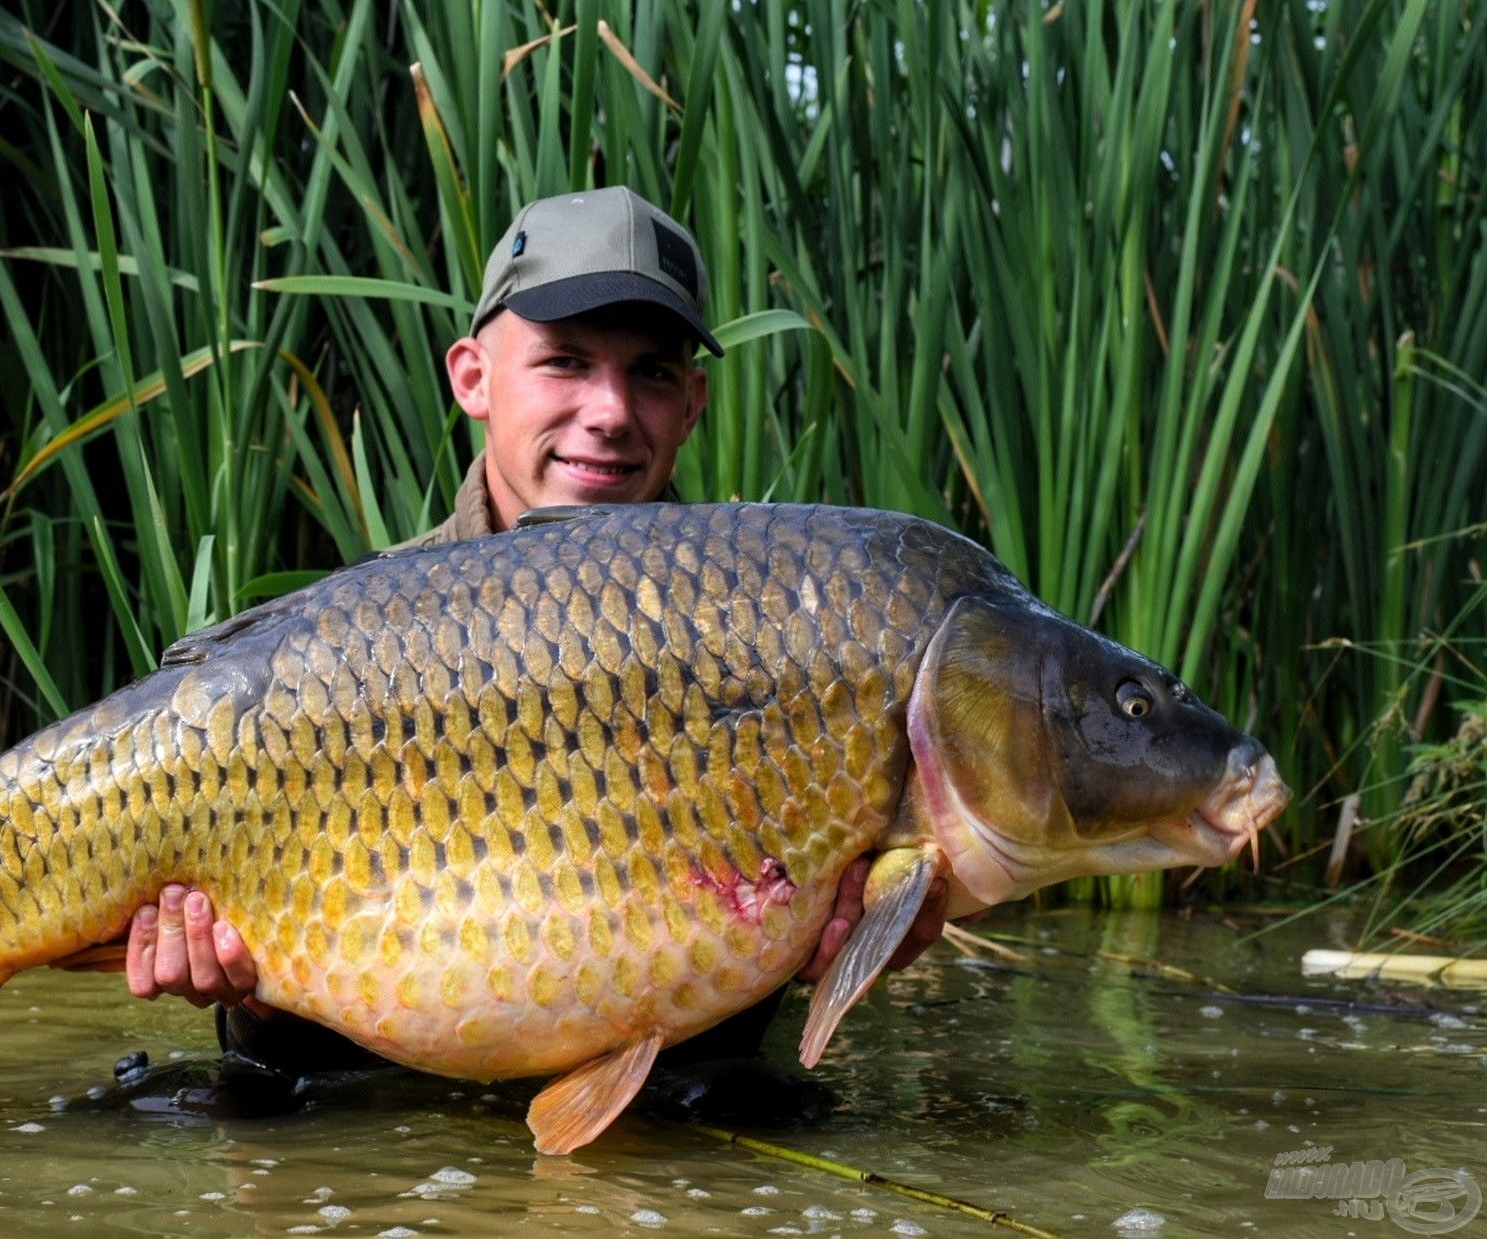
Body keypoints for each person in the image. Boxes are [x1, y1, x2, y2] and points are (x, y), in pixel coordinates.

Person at [119, 187, 950, 1120]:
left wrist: (862, 930)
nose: (610, 410)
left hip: (674, 1112)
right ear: (473, 376)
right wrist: (246, 1004)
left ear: (695, 403)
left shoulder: (778, 625)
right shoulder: (354, 643)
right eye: (565, 362)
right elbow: (297, 1051)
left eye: (652, 374)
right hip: (380, 1132)